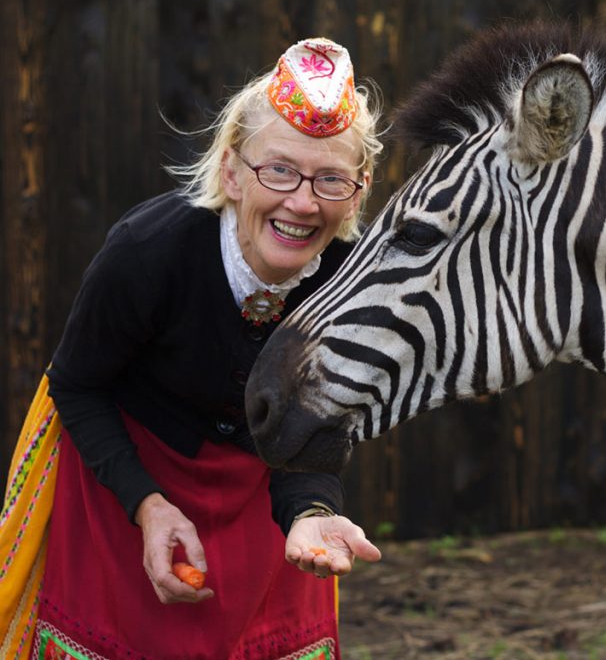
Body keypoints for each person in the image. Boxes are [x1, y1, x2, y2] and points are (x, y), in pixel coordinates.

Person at [4, 37, 383, 659]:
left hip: (262, 495)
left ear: (359, 191)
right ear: (232, 171)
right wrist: (146, 504)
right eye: (279, 169)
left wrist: (311, 511)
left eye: (331, 180)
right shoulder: (147, 252)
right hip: (124, 476)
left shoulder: (353, 283)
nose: (303, 202)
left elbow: (315, 423)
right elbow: (77, 384)